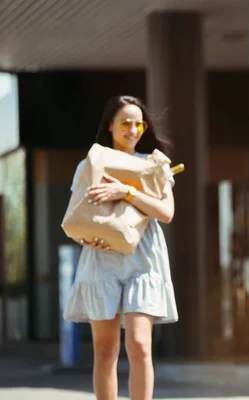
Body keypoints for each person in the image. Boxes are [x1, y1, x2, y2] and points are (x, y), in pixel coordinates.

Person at [63, 95, 178, 400]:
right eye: (125, 122)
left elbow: (166, 212)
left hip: (144, 259)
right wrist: (85, 239)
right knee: (105, 350)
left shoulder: (154, 165)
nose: (133, 129)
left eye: (138, 123)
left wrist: (125, 191)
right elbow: (78, 214)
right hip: (101, 259)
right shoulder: (90, 164)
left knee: (140, 346)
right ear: (110, 126)